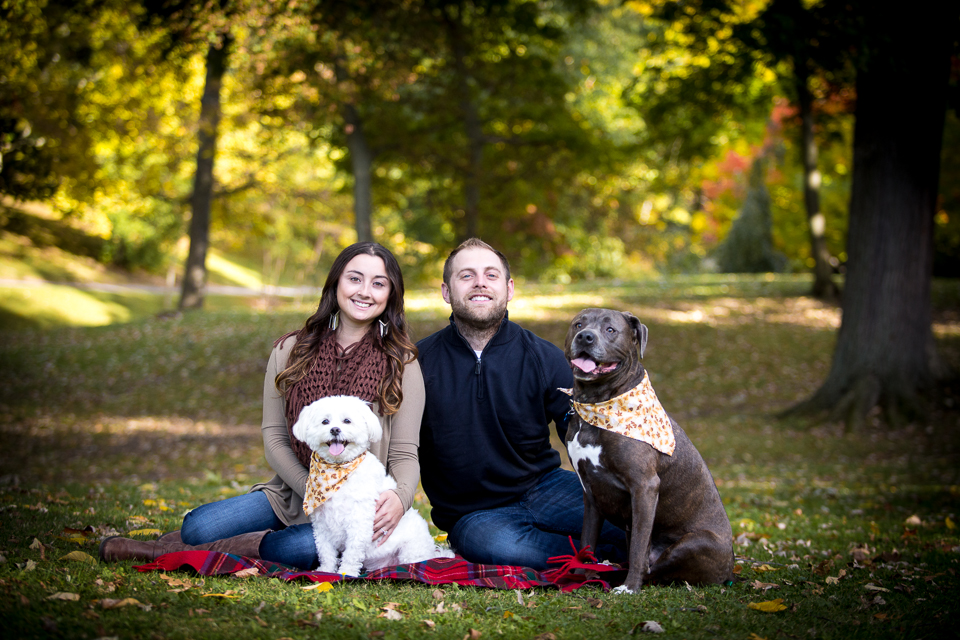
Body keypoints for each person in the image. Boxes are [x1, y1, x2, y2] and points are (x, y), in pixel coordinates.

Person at [99, 242, 425, 568]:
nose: (365, 291)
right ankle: (202, 544)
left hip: (355, 502)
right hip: (290, 493)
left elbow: (404, 453)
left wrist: (400, 497)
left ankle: (158, 552)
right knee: (198, 527)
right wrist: (312, 489)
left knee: (300, 551)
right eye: (355, 279)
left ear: (391, 295)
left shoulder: (402, 364)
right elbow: (274, 437)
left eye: (378, 283)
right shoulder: (290, 350)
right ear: (336, 283)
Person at [415, 238, 627, 571]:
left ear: (509, 288)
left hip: (544, 487)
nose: (480, 283)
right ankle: (612, 558)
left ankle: (631, 551)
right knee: (502, 547)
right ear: (446, 291)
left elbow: (587, 430)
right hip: (473, 514)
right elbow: (396, 446)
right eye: (466, 276)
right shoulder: (418, 362)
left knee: (630, 515)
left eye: (491, 275)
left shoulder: (542, 356)